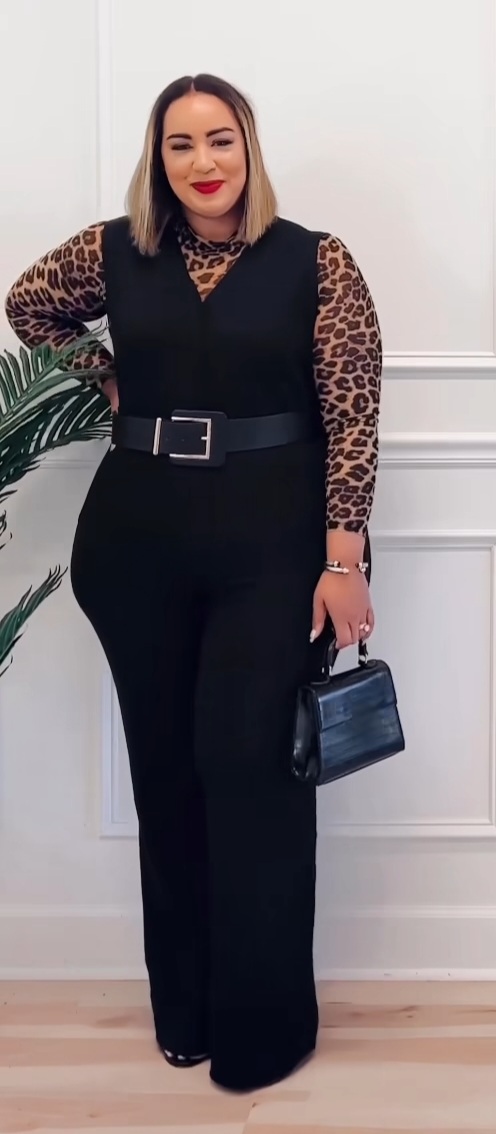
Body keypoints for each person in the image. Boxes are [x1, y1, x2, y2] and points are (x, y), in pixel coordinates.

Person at [4, 73, 382, 1093]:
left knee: (251, 774)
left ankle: (266, 1027)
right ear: (157, 158)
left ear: (248, 148)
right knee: (167, 776)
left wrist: (343, 560)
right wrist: (103, 376)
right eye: (180, 144)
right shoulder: (114, 253)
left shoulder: (316, 259)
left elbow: (353, 413)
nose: (203, 162)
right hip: (137, 544)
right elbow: (27, 302)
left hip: (273, 548)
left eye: (220, 140)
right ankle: (187, 1011)